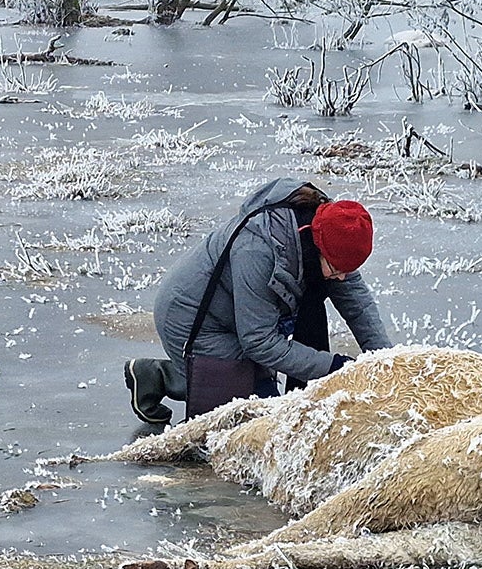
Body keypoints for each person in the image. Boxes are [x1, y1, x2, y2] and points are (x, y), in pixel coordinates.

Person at [125, 178, 391, 424]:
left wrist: (388, 361)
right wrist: (334, 367)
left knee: (257, 396)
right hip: (195, 320)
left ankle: (167, 375)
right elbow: (259, 341)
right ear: (317, 247)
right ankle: (169, 376)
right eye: (336, 270)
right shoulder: (259, 250)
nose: (342, 278)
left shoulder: (327, 230)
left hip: (237, 318)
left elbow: (358, 305)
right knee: (255, 420)